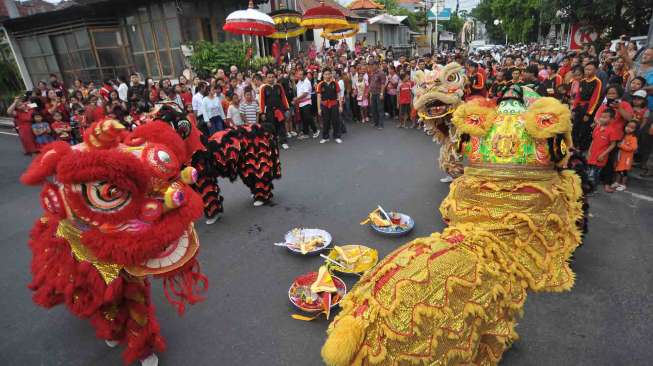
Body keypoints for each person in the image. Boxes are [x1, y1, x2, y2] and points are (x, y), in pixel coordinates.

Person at [572, 61, 603, 151]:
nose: (587, 71)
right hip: (579, 107)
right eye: (586, 69)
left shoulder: (597, 82)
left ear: (595, 70)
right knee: (575, 127)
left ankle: (582, 148)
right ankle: (574, 145)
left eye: (590, 69)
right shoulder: (582, 81)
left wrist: (588, 113)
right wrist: (574, 108)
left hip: (588, 107)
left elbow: (595, 98)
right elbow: (578, 96)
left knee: (584, 129)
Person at [587, 109, 620, 193]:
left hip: (600, 157)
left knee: (594, 175)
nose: (602, 119)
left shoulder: (612, 130)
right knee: (589, 173)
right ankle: (589, 188)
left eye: (605, 117)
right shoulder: (597, 128)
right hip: (592, 155)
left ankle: (593, 190)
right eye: (601, 117)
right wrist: (589, 150)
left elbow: (613, 145)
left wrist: (603, 155)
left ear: (612, 119)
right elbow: (593, 140)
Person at [260, 72, 289, 150]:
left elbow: (283, 97)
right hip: (269, 110)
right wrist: (262, 112)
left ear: (274, 78)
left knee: (281, 126)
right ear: (266, 78)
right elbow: (262, 101)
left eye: (272, 77)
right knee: (271, 127)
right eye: (269, 77)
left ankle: (283, 142)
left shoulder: (279, 86)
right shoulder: (263, 88)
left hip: (279, 109)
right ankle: (273, 142)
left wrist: (286, 109)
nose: (271, 79)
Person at [317, 68, 343, 144]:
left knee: (335, 121)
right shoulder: (320, 84)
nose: (327, 76)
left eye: (329, 74)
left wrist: (340, 106)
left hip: (334, 104)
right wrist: (319, 108)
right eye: (325, 74)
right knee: (325, 121)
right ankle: (325, 137)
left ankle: (337, 136)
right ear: (323, 75)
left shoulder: (335, 83)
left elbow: (339, 95)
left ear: (331, 74)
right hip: (324, 105)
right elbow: (319, 97)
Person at [612, 121, 638, 191]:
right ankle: (617, 182)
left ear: (635, 129)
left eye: (632, 127)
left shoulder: (633, 138)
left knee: (624, 171)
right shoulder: (624, 135)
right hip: (620, 156)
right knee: (618, 170)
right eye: (628, 126)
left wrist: (622, 146)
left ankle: (623, 184)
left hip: (627, 159)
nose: (629, 128)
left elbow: (633, 148)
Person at [294, 69, 319, 138]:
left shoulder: (307, 82)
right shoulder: (299, 81)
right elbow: (297, 89)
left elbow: (305, 93)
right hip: (301, 103)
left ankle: (315, 130)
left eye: (301, 74)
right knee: (304, 118)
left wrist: (297, 98)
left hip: (306, 102)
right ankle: (306, 132)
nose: (299, 76)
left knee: (308, 117)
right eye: (298, 74)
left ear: (304, 75)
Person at [368, 61, 386, 129]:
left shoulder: (381, 73)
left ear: (377, 65)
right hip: (373, 93)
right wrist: (369, 91)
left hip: (379, 93)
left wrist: (381, 93)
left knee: (380, 109)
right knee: (374, 108)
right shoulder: (372, 73)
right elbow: (371, 83)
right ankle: (376, 123)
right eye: (371, 65)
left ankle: (381, 124)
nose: (372, 66)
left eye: (373, 65)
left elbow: (383, 84)